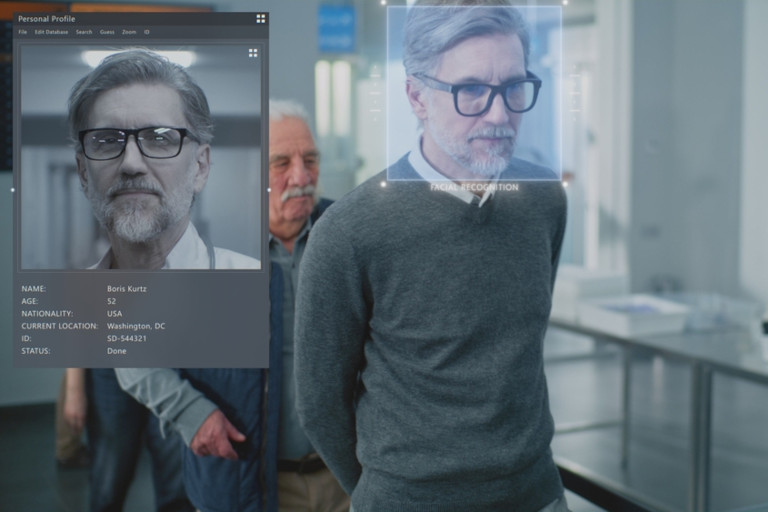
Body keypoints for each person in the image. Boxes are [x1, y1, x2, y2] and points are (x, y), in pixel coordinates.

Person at [294, 3, 569, 512]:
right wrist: (389, 493)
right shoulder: (350, 231)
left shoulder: (544, 200)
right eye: (470, 90)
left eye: (513, 86)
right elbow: (319, 404)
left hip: (537, 495)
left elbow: (521, 351)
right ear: (416, 95)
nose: (499, 113)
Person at [115, 100, 349, 512]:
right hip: (248, 483)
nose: (302, 176)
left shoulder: (346, 233)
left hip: (346, 479)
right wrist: (191, 413)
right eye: (281, 163)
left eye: (310, 159)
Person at [63, 48, 262, 512]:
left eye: (159, 138)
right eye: (108, 140)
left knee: (176, 486)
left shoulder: (237, 277)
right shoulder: (93, 262)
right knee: (110, 476)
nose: (132, 162)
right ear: (82, 171)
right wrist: (76, 388)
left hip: (190, 390)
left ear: (201, 166)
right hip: (110, 378)